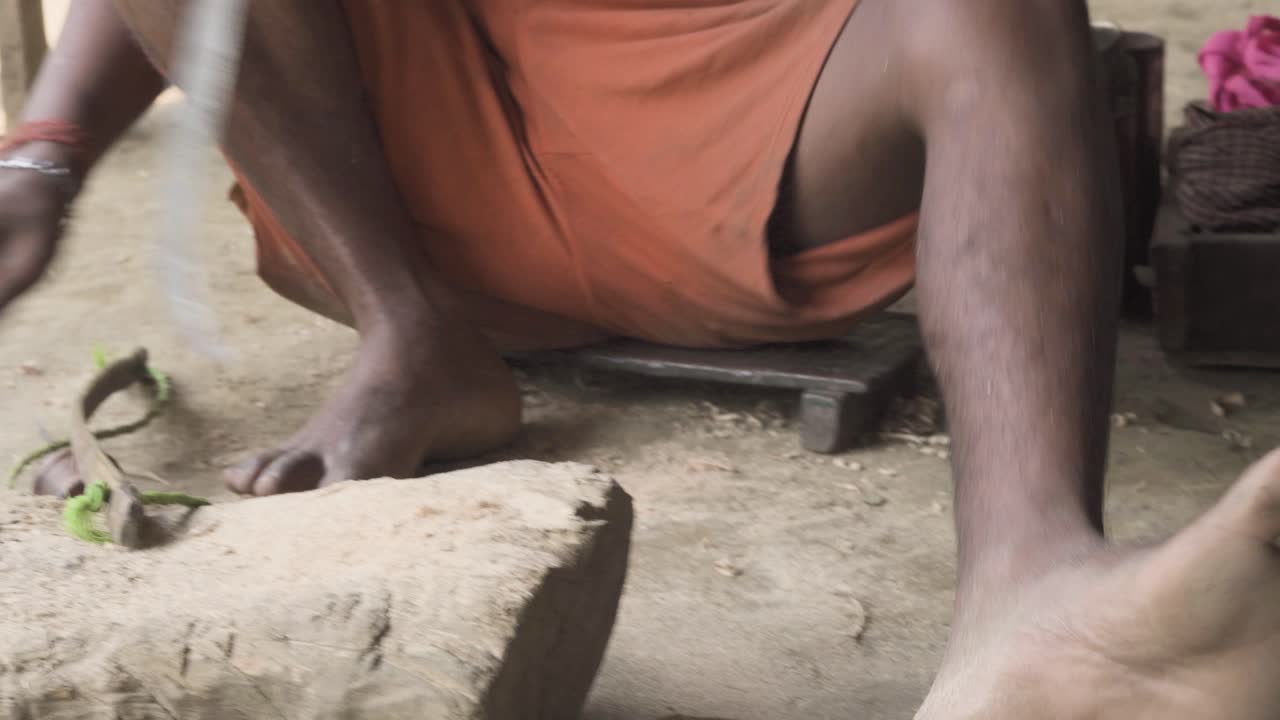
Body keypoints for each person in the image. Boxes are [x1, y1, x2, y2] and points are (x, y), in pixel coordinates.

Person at [3, 1, 1280, 716]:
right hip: (403, 190)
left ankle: (1031, 592)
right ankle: (413, 338)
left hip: (739, 144)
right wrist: (42, 157)